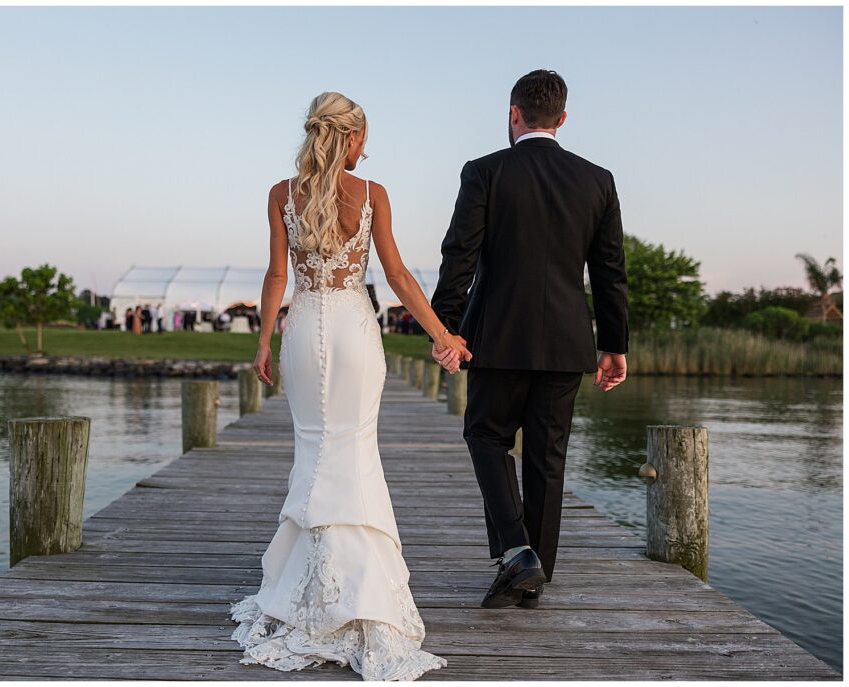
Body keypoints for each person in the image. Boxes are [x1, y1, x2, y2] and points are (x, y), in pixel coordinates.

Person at [233, 92, 469, 681]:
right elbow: (396, 275)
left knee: (314, 453)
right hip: (355, 330)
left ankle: (303, 592)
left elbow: (276, 276)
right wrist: (444, 335)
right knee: (357, 454)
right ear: (351, 137)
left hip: (305, 323)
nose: (368, 148)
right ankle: (362, 595)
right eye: (365, 137)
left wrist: (263, 343)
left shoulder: (279, 195)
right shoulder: (373, 196)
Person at [429, 69, 630, 611]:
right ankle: (532, 578)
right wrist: (615, 344)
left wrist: (446, 326)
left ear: (513, 113)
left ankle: (518, 552)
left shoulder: (485, 171)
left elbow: (460, 255)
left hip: (496, 338)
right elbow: (609, 270)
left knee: (486, 438)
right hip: (567, 343)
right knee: (547, 459)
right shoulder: (597, 180)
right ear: (562, 120)